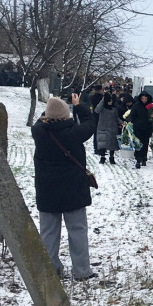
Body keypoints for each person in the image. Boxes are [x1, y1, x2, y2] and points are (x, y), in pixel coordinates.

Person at [31, 94, 96, 280]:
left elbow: (43, 119)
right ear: (66, 114)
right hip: (73, 190)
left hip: (47, 190)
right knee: (77, 231)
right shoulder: (73, 133)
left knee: (48, 233)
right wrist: (78, 105)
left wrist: (52, 105)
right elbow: (90, 122)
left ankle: (51, 271)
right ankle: (82, 271)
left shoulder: (39, 132)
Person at [128, 91, 153, 168]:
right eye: (142, 98)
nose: (144, 100)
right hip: (138, 128)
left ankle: (144, 158)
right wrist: (130, 122)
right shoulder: (136, 106)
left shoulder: (150, 107)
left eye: (145, 98)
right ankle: (138, 159)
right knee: (138, 143)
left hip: (147, 128)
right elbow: (132, 115)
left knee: (145, 143)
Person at [94, 91, 122, 165]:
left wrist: (122, 123)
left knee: (112, 144)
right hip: (102, 128)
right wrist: (102, 101)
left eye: (111, 101)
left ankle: (111, 157)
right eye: (109, 101)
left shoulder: (114, 108)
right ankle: (102, 157)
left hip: (113, 128)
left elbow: (116, 118)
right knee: (103, 144)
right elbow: (97, 110)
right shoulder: (102, 107)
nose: (110, 102)